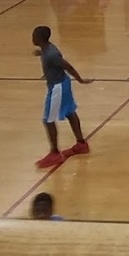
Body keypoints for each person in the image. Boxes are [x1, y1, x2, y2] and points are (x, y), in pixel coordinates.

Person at [33, 25, 93, 168]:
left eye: (34, 36)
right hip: (63, 84)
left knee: (48, 120)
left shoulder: (51, 54)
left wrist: (80, 79)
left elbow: (67, 66)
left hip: (57, 87)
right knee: (70, 112)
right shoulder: (46, 50)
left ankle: (54, 153)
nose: (32, 38)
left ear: (39, 38)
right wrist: (40, 54)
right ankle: (81, 144)